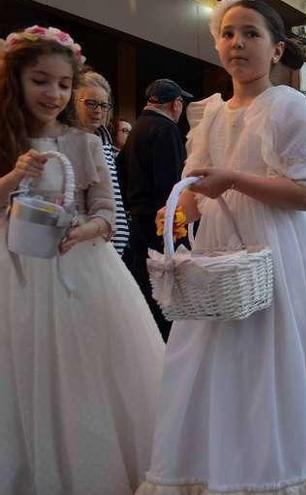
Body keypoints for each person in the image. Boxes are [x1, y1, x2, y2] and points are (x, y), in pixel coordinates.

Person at [138, 2, 306, 493]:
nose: (237, 43)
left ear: (275, 48)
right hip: (220, 252)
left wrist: (234, 179)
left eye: (250, 34)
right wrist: (182, 206)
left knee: (278, 361)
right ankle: (223, 466)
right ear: (217, 43)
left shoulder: (289, 106)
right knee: (220, 364)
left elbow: (301, 195)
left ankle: (283, 469)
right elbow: (193, 186)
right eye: (228, 33)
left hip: (281, 253)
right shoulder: (209, 112)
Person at [0, 25, 164, 494]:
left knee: (85, 377)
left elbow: (108, 214)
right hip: (13, 272)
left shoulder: (84, 143)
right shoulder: (7, 139)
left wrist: (85, 229)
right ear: (17, 80)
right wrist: (14, 175)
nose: (54, 94)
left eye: (64, 84)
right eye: (40, 81)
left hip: (78, 269)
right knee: (19, 376)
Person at [117, 77, 192, 340]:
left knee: (144, 287)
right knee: (164, 293)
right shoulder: (166, 130)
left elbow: (119, 172)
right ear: (176, 104)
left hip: (138, 219)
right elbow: (171, 184)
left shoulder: (137, 128)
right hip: (163, 222)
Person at [74, 70, 130, 255]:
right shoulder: (71, 142)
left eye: (104, 105)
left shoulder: (103, 141)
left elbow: (112, 197)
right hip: (82, 244)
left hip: (111, 245)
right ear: (74, 102)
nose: (98, 110)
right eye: (91, 103)